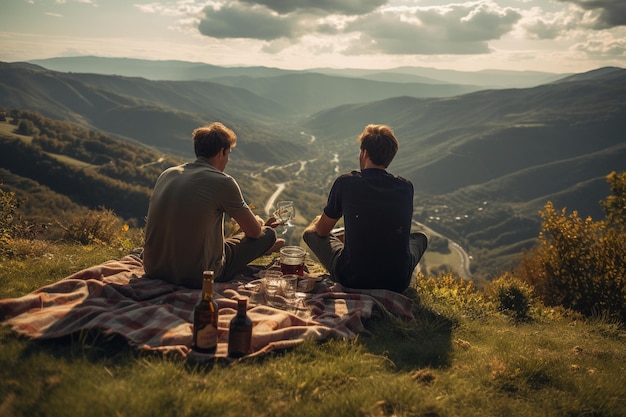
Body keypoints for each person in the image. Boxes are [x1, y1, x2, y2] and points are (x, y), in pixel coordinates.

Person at [143, 122, 283, 288]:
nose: (227, 160)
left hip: (153, 268)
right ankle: (264, 247)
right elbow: (254, 233)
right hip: (200, 275)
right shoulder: (223, 182)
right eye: (228, 153)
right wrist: (260, 226)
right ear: (221, 152)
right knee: (269, 234)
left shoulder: (167, 174)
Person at [302, 124, 428, 293]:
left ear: (365, 153)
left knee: (311, 232)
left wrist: (318, 222)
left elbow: (322, 231)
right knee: (420, 238)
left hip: (352, 277)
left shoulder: (346, 183)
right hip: (397, 281)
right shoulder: (406, 187)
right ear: (390, 157)